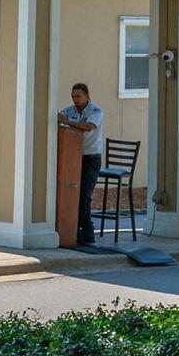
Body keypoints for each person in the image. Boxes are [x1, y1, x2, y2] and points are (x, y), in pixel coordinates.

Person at [58, 83, 104, 245]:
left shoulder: (96, 111)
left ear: (87, 95)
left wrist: (68, 123)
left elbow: (89, 126)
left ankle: (87, 231)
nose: (75, 100)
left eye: (78, 96)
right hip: (72, 157)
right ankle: (74, 230)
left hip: (90, 158)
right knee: (72, 195)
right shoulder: (69, 110)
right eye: (73, 96)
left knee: (84, 196)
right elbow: (57, 117)